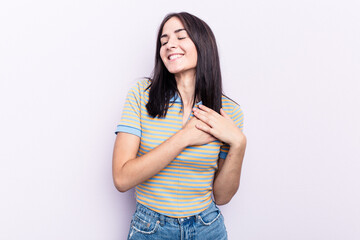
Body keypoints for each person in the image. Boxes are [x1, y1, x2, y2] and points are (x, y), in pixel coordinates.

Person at [112, 11, 246, 240]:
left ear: (202, 44)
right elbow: (122, 179)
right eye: (164, 41)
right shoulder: (141, 95)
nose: (169, 45)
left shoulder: (228, 112)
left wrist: (239, 144)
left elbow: (222, 197)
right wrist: (184, 137)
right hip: (150, 229)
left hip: (208, 228)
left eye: (180, 37)